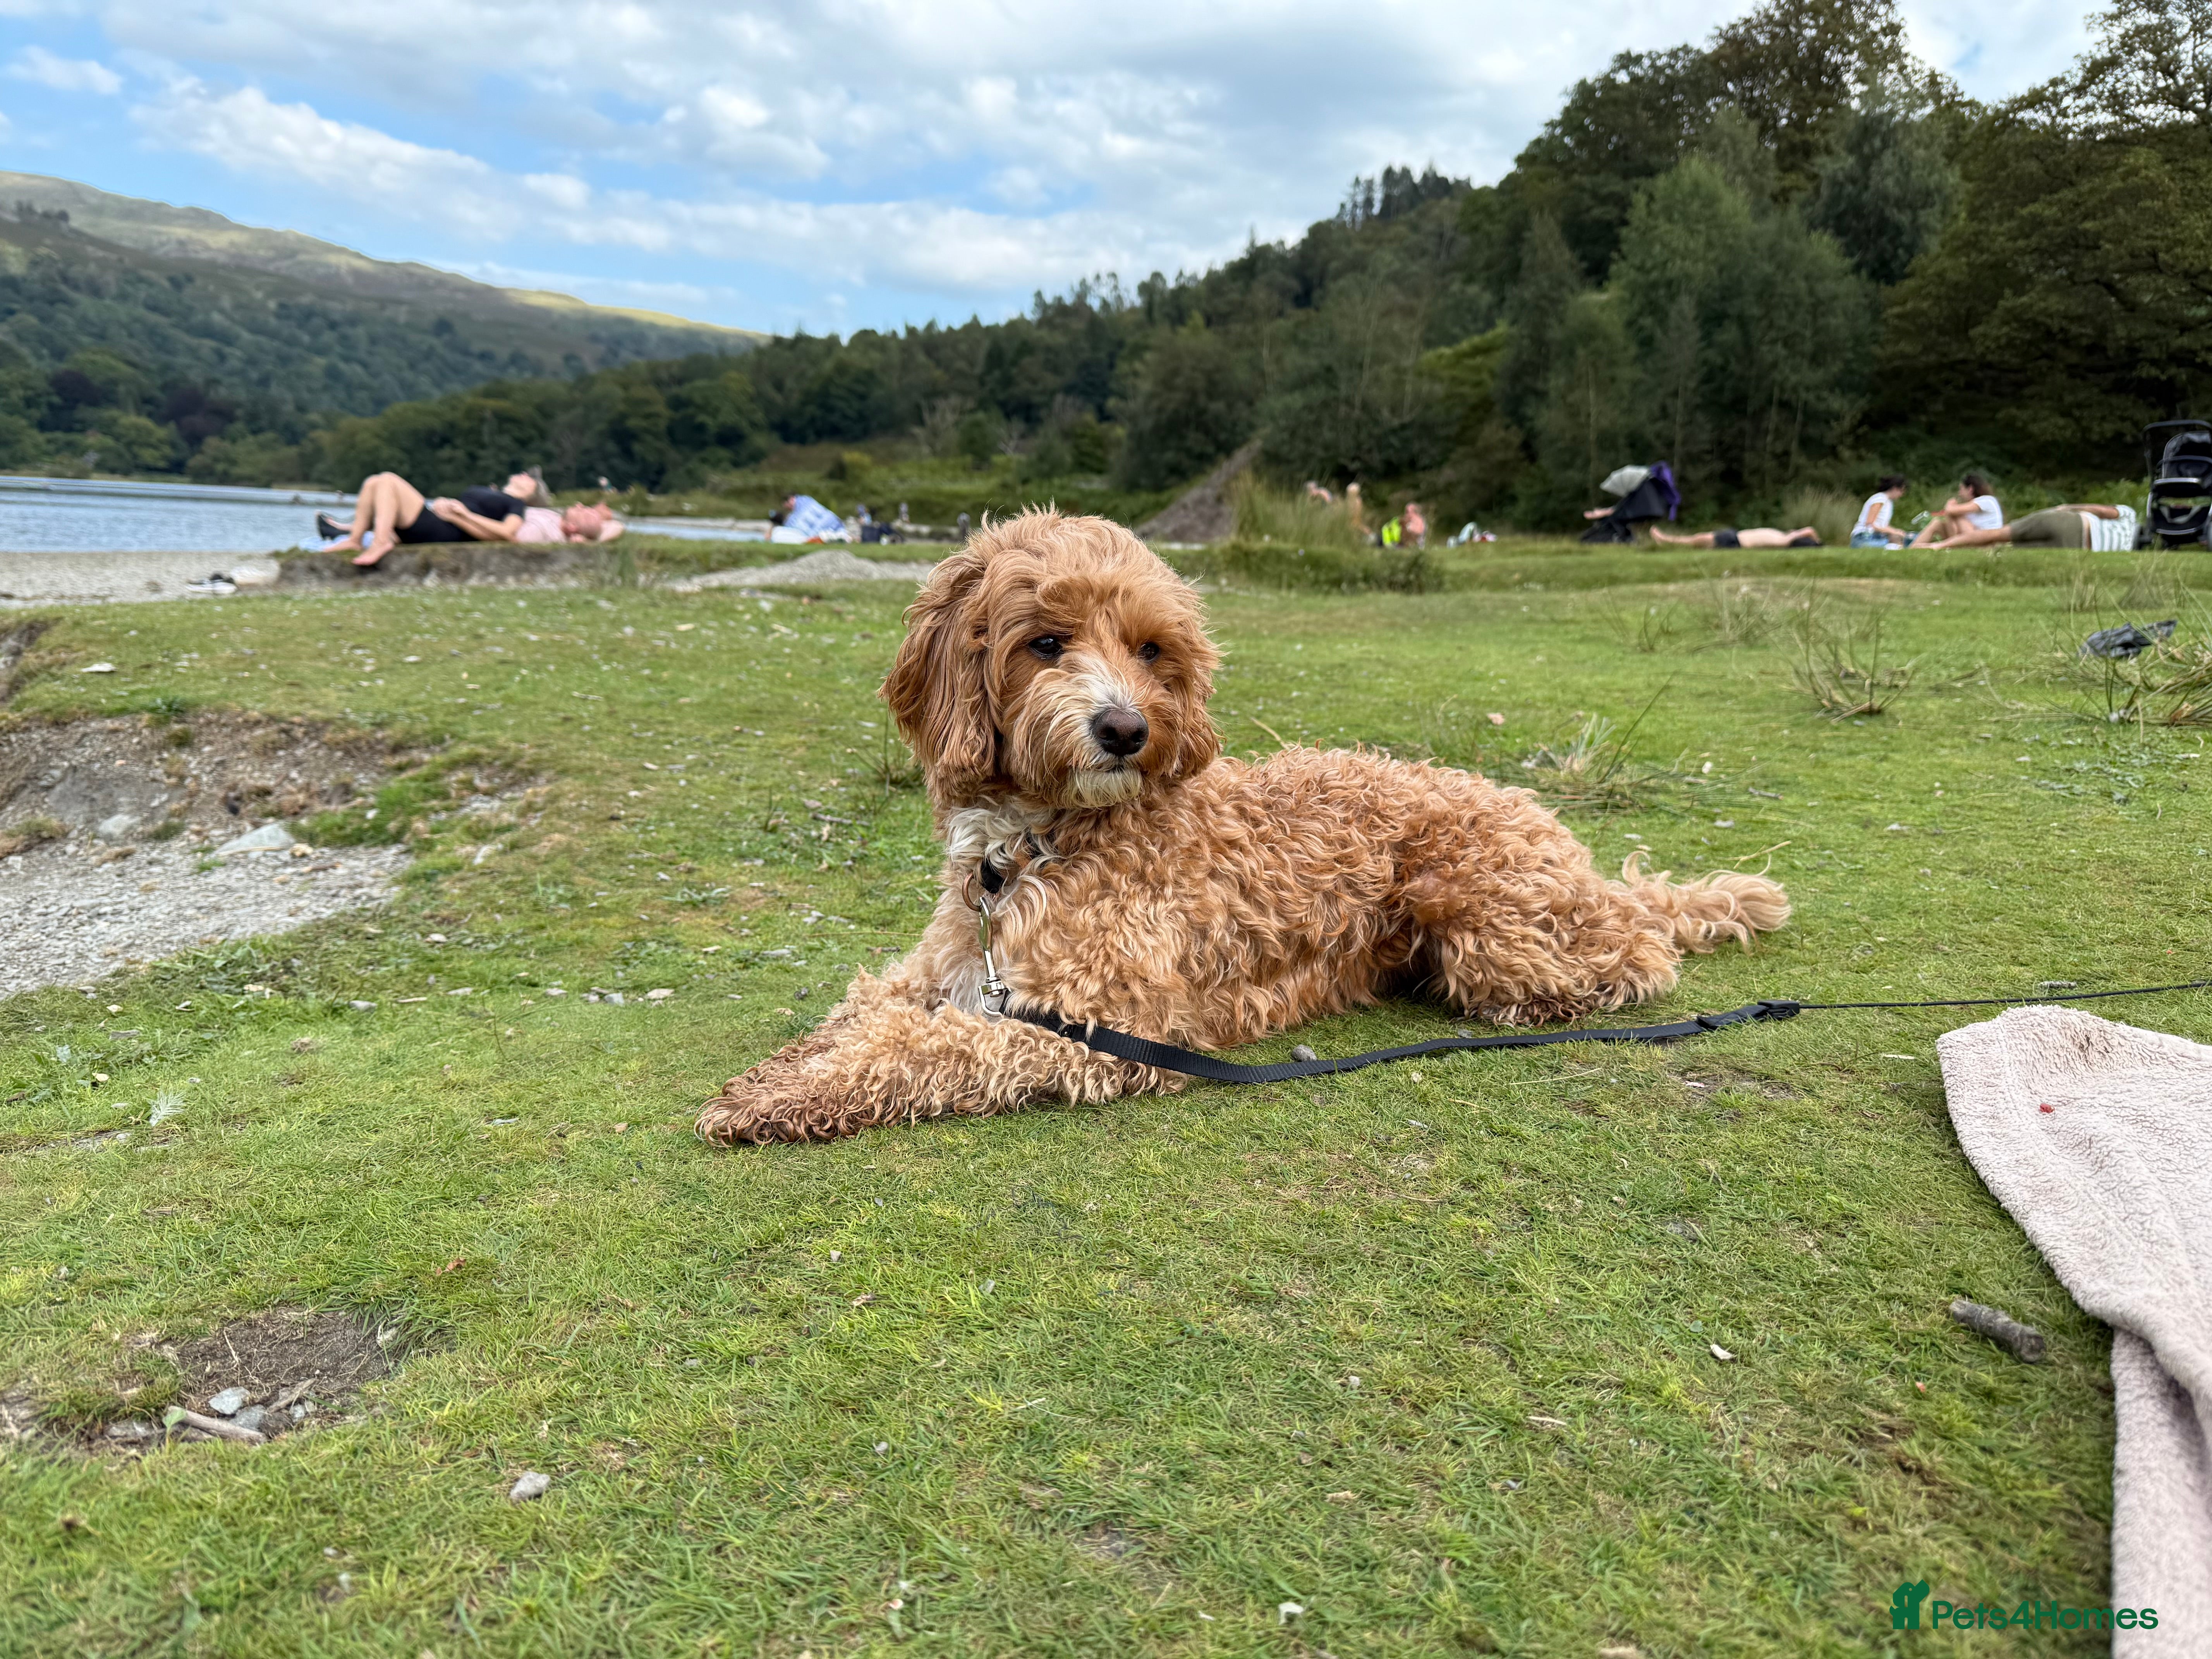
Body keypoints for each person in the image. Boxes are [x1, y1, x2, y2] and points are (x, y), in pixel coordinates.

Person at [326, 470, 539, 568]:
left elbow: (507, 533)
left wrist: (464, 516)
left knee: (388, 480)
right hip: (438, 520)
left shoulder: (517, 504)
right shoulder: (488, 491)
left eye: (531, 480)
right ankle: (355, 540)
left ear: (532, 493)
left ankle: (380, 542)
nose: (525, 475)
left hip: (448, 531)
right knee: (375, 481)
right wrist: (444, 503)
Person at [1925, 502, 2137, 551]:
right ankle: (1944, 549)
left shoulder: (2130, 515)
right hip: (2075, 548)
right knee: (2007, 550)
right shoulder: (2129, 552)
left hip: (2074, 523)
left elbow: (2102, 511)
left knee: (2001, 534)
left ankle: (1937, 547)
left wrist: (2067, 507)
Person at [1908, 474, 2001, 546]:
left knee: (1954, 513)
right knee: (1937, 523)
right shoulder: (1973, 506)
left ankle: (1954, 545)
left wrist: (1950, 504)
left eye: (1961, 489)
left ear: (1970, 489)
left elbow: (1950, 511)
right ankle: (1913, 549)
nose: (1960, 493)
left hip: (1984, 542)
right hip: (1971, 538)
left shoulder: (1987, 500)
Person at [1649, 524, 1822, 549]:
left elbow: (1809, 530)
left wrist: (1818, 542)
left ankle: (1666, 539)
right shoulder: (1782, 538)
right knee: (1699, 541)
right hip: (1735, 539)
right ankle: (1667, 541)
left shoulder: (1785, 540)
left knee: (1697, 539)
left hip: (1735, 540)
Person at [1852, 475, 1909, 547]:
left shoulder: (1889, 503)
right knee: (1897, 546)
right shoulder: (1880, 499)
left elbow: (1883, 525)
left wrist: (1898, 531)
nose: (1902, 495)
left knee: (1904, 543)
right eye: (1901, 491)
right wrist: (1894, 532)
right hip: (1864, 537)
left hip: (1876, 537)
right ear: (1895, 489)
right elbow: (1870, 524)